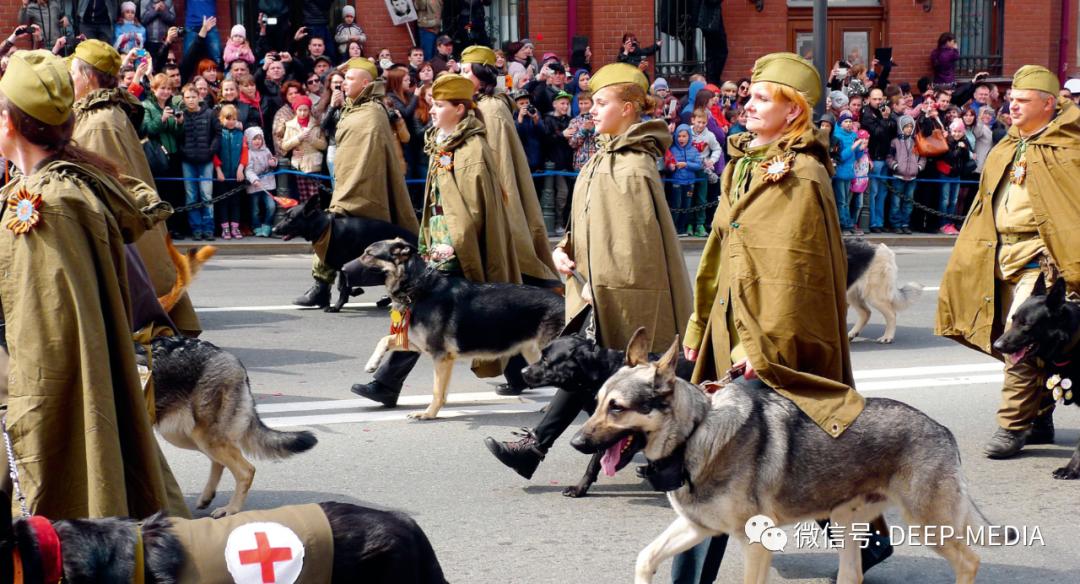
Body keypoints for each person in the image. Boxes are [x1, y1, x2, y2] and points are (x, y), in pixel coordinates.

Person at [675, 52, 892, 583]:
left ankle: (864, 542)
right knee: (769, 454)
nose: (745, 103)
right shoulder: (745, 161)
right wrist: (698, 327)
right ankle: (867, 543)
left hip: (771, 339)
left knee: (779, 451)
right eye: (747, 94)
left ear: (793, 111)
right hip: (729, 327)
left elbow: (798, 276)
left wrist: (762, 347)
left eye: (760, 97)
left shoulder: (804, 174)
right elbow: (717, 256)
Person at [0, 48, 187, 520]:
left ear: (11, 122)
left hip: (39, 382)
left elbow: (50, 339)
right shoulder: (56, 185)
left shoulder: (46, 204)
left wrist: (27, 409)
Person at [484, 62, 692, 483]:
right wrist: (565, 250)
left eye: (601, 103)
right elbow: (586, 224)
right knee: (591, 372)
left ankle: (545, 447)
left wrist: (603, 287)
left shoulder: (634, 164)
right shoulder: (604, 156)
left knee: (598, 373)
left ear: (630, 108)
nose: (591, 109)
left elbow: (636, 249)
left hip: (623, 294)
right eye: (591, 102)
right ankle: (547, 447)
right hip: (593, 288)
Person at [936, 66, 1080, 459]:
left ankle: (1013, 426)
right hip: (999, 254)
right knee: (1018, 337)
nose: (1012, 104)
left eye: (1023, 99)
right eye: (1011, 98)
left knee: (1020, 342)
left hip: (1043, 259)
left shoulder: (1069, 147)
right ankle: (1039, 418)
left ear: (1049, 104)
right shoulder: (1007, 144)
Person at [70, 39, 202, 336]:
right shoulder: (103, 113)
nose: (71, 80)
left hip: (122, 231)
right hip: (130, 226)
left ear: (89, 77)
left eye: (75, 73)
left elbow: (105, 188)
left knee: (136, 293)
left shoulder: (99, 122)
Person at [295, 57, 419, 310]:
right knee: (337, 239)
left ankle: (328, 286)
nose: (344, 83)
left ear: (365, 83)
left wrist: (351, 188)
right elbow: (331, 134)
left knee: (343, 237)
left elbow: (368, 156)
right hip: (346, 184)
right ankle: (322, 287)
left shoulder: (372, 113)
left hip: (363, 189)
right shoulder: (353, 107)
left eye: (350, 79)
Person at [460, 46, 559, 291]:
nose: (460, 77)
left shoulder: (491, 109)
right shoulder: (479, 104)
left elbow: (498, 160)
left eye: (465, 72)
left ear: (481, 76)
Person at [860, 87, 897, 233]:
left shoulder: (886, 111)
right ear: (869, 99)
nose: (877, 102)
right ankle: (873, 222)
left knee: (883, 193)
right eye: (875, 99)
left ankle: (880, 221)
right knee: (874, 192)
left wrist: (888, 118)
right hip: (874, 158)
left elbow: (894, 129)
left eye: (880, 99)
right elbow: (877, 133)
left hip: (885, 157)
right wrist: (885, 118)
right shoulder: (867, 113)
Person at [280, 94, 327, 203]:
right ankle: (306, 218)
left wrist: (312, 139)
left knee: (315, 196)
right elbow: (284, 145)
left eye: (305, 110)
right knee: (303, 195)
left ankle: (316, 216)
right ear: (295, 110)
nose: (302, 113)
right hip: (299, 165)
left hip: (314, 165)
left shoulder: (316, 124)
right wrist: (298, 138)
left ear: (309, 110)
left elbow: (324, 145)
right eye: (300, 110)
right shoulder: (290, 125)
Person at [886, 114, 925, 234]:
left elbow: (923, 157)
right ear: (901, 127)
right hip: (898, 176)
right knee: (896, 202)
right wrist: (895, 166)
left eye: (910, 126)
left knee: (908, 203)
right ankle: (895, 224)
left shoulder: (916, 142)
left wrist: (918, 167)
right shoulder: (895, 142)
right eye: (906, 126)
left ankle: (905, 223)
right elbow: (889, 157)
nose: (908, 129)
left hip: (912, 177)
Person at [666, 123, 702, 235]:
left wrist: (686, 164)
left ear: (689, 137)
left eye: (684, 136)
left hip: (690, 183)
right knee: (676, 205)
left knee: (687, 205)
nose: (681, 138)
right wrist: (670, 167)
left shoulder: (694, 150)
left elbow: (698, 165)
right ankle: (673, 229)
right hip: (676, 182)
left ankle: (682, 228)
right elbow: (668, 163)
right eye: (679, 136)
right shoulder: (672, 150)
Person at [832, 110, 863, 234]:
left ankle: (847, 223)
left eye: (850, 121)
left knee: (846, 201)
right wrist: (853, 147)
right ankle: (843, 224)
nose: (849, 124)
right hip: (839, 173)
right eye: (846, 121)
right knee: (842, 201)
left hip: (849, 173)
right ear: (840, 123)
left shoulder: (853, 135)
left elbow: (857, 156)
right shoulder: (837, 136)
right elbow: (841, 157)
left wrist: (860, 149)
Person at [244, 126, 277, 237]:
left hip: (267, 183)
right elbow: (248, 170)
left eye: (259, 138)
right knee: (255, 209)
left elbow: (272, 160)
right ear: (249, 140)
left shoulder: (266, 150)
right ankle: (256, 226)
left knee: (271, 206)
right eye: (254, 139)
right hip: (255, 185)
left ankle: (267, 225)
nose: (257, 141)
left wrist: (273, 162)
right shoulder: (249, 153)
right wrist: (254, 179)